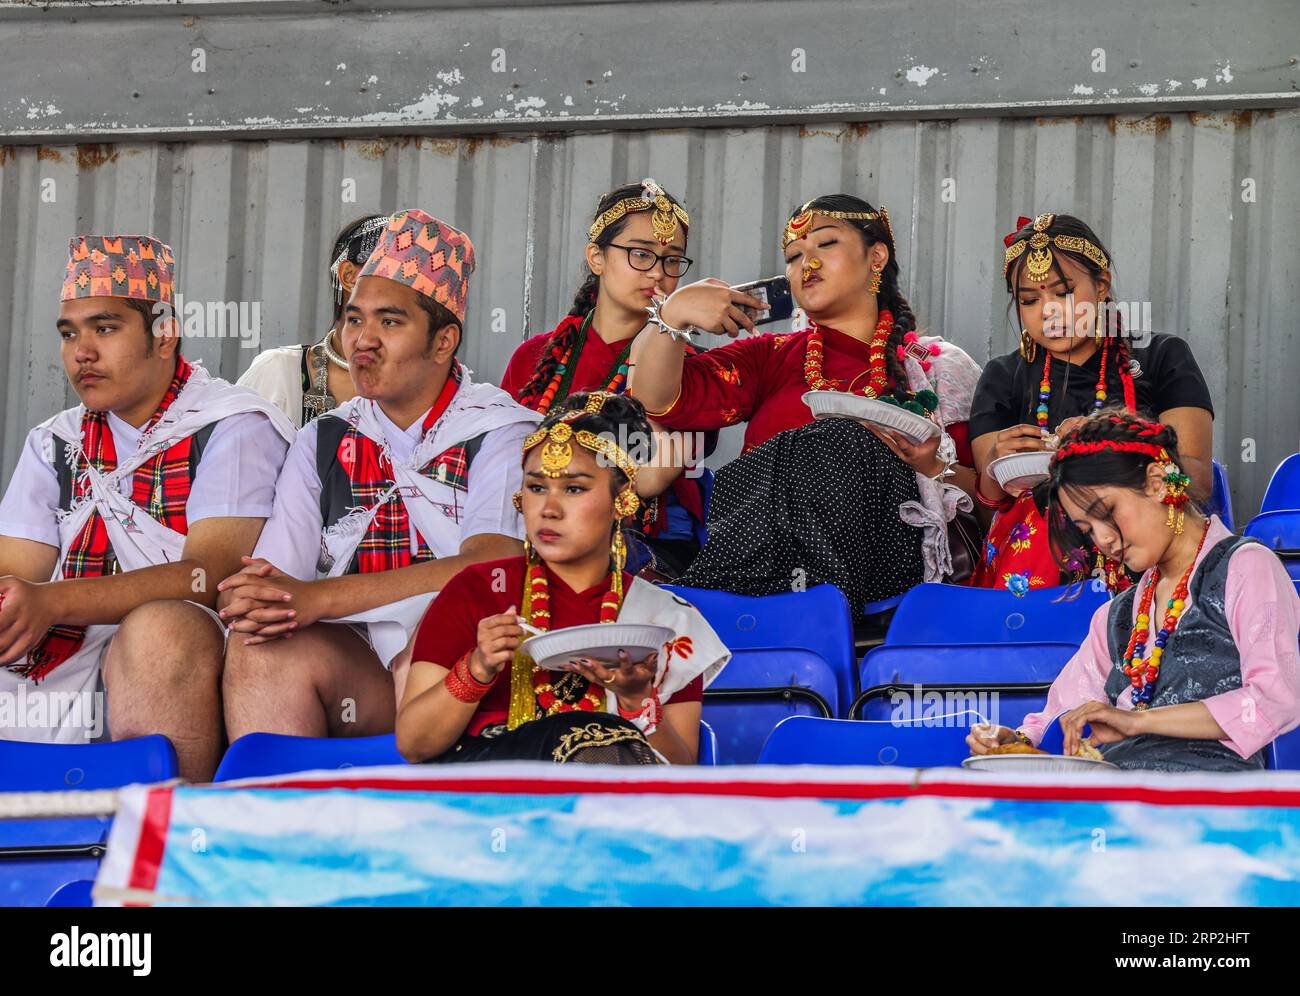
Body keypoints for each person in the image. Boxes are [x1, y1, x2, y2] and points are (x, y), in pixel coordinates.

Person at [219, 209, 541, 741]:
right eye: (353, 319)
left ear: (444, 342)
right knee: (260, 645)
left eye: (389, 322)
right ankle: (278, 817)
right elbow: (279, 578)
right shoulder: (323, 438)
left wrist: (320, 598)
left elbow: (494, 562)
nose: (363, 340)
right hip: (362, 669)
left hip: (477, 658)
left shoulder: (502, 430)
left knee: (425, 650)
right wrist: (255, 598)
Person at [0, 234, 293, 780]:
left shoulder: (229, 425)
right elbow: (17, 575)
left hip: (193, 640)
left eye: (104, 329)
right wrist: (22, 604)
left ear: (164, 334)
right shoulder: (54, 440)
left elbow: (210, 577)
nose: (82, 352)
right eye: (70, 334)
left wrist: (52, 603)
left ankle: (163, 844)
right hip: (67, 639)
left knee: (158, 631)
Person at [628, 194, 982, 614]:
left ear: (877, 256)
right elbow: (657, 400)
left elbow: (988, 499)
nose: (806, 265)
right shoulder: (768, 356)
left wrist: (931, 465)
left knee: (832, 440)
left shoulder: (937, 366)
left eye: (825, 245)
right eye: (794, 256)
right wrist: (671, 317)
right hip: (756, 565)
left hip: (887, 575)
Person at [397, 392, 729, 765]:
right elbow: (414, 745)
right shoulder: (475, 591)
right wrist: (478, 667)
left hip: (603, 805)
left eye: (574, 488)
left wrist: (637, 701)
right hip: (484, 798)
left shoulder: (666, 622)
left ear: (621, 500)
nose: (549, 510)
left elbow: (679, 780)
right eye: (537, 487)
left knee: (593, 735)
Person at [968, 411, 1300, 771]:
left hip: (1211, 803)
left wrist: (1140, 721)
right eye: (1088, 529)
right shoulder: (1118, 614)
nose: (1104, 539)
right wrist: (1016, 741)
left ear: (1157, 482)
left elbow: (1275, 699)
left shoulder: (1246, 567)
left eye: (1107, 513)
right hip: (1119, 800)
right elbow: (1061, 706)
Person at [969, 212, 1214, 594]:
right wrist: (994, 471)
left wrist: (1111, 445)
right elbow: (988, 518)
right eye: (1029, 300)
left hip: (1145, 547)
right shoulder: (1002, 377)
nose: (1048, 311)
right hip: (1034, 566)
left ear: (1101, 286)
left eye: (1063, 293)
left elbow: (1196, 480)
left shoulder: (1161, 356)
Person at [500, 180, 709, 579]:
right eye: (640, 254)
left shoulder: (690, 369)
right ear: (596, 256)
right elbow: (503, 468)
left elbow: (649, 479)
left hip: (640, 551)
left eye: (671, 260)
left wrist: (657, 336)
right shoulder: (535, 359)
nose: (659, 275)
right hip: (529, 532)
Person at [237, 214, 389, 426]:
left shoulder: (420, 385)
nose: (405, 287)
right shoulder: (278, 373)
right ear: (348, 276)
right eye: (391, 271)